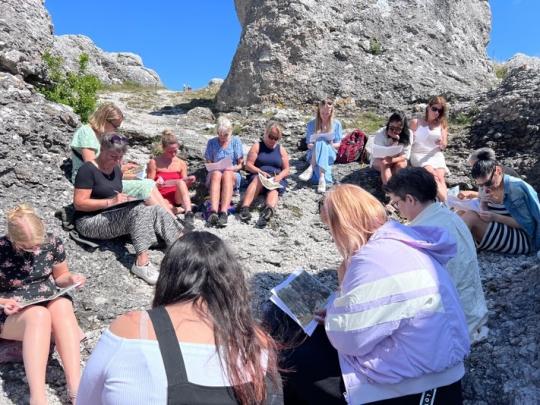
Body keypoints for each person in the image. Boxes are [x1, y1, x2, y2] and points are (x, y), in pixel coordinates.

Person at [267, 184, 470, 404]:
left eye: (331, 229)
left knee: (294, 355)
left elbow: (349, 340)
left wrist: (339, 298)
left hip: (416, 388)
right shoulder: (401, 244)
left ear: (344, 225)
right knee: (297, 340)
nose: (332, 238)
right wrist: (338, 311)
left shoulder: (373, 259)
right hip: (433, 371)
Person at [77, 231, 282, 405]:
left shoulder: (131, 329)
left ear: (169, 276)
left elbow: (86, 399)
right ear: (232, 282)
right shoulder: (256, 340)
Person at [385, 167, 488, 342]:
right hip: (475, 314)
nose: (397, 209)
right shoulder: (452, 216)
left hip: (456, 328)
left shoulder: (420, 233)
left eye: (396, 203)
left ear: (410, 199)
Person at [0, 204, 86, 405]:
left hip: (46, 299)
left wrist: (72, 279)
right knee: (39, 315)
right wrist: (4, 302)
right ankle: (38, 398)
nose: (36, 250)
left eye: (38, 244)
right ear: (12, 239)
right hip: (13, 312)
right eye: (28, 247)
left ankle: (76, 388)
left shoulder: (52, 242)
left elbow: (60, 276)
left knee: (62, 306)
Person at [73, 133, 183, 285]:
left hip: (112, 215)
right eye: (113, 156)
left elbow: (115, 193)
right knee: (138, 210)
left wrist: (124, 199)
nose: (117, 161)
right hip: (90, 221)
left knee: (155, 208)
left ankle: (181, 248)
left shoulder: (116, 170)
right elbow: (79, 203)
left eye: (120, 157)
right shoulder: (88, 170)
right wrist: (110, 202)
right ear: (102, 149)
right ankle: (141, 263)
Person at [70, 102, 175, 216]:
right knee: (144, 187)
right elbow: (91, 166)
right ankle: (170, 223)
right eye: (115, 126)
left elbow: (105, 165)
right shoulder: (86, 132)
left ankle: (172, 219)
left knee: (149, 183)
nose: (116, 130)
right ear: (104, 120)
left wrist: (124, 169)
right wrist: (123, 172)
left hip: (106, 177)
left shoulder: (101, 135)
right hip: (89, 182)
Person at [460, 150, 540, 255]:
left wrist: (496, 217)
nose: (485, 187)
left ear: (498, 170)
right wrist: (483, 203)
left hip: (525, 239)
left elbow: (528, 224)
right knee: (459, 214)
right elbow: (484, 215)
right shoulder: (486, 184)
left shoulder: (515, 188)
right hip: (504, 229)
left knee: (470, 217)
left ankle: (455, 254)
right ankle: (460, 250)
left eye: (488, 183)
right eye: (480, 185)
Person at [239, 122, 290, 227]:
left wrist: (279, 176)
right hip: (259, 174)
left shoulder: (281, 149)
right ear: (265, 133)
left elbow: (286, 169)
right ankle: (245, 208)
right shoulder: (257, 146)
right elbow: (248, 165)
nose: (272, 140)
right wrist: (259, 171)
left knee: (274, 190)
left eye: (275, 138)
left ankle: (268, 211)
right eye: (271, 137)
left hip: (275, 177)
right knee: (258, 179)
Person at [147, 129, 196, 227]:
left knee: (181, 182)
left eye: (175, 151)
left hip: (176, 196)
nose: (173, 154)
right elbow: (148, 184)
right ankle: (181, 209)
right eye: (170, 152)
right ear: (163, 148)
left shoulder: (181, 163)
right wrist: (157, 184)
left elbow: (184, 186)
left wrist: (189, 181)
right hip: (161, 195)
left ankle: (188, 213)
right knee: (163, 208)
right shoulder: (154, 162)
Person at [204, 116, 245, 227]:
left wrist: (232, 168)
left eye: (225, 135)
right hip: (215, 174)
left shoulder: (235, 141)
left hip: (231, 172)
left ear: (230, 132)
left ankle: (223, 212)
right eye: (219, 134)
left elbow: (241, 164)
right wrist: (214, 167)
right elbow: (209, 163)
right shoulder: (211, 143)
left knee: (227, 173)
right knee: (217, 173)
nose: (222, 137)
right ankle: (213, 212)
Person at [298, 98, 343, 193]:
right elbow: (309, 144)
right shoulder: (311, 124)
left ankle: (310, 168)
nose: (325, 116)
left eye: (327, 113)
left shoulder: (337, 124)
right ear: (319, 111)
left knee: (322, 142)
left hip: (329, 153)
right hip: (313, 153)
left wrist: (330, 144)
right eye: (322, 113)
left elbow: (338, 144)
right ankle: (322, 179)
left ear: (331, 111)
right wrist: (313, 145)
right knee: (319, 142)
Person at [410, 96, 449, 201]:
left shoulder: (442, 125)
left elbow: (444, 144)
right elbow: (408, 142)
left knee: (441, 177)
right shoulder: (415, 122)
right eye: (434, 109)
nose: (437, 113)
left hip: (435, 153)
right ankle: (446, 202)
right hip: (418, 153)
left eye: (440, 111)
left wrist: (441, 143)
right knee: (433, 175)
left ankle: (446, 202)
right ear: (428, 107)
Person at [370, 111, 413, 185]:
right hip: (380, 159)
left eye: (398, 129)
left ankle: (386, 180)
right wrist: (394, 142)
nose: (394, 131)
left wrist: (392, 160)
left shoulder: (408, 134)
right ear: (388, 125)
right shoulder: (381, 134)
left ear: (403, 129)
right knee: (384, 164)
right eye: (392, 128)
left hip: (397, 159)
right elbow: (379, 154)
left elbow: (405, 156)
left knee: (401, 165)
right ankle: (389, 190)